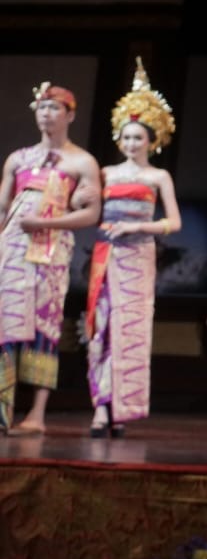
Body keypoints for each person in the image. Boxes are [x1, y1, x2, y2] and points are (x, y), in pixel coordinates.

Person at [0, 82, 102, 436]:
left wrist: (47, 222)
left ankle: (37, 414)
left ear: (70, 115)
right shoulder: (18, 158)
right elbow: (3, 208)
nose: (47, 114)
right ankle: (3, 410)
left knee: (45, 323)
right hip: (13, 248)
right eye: (42, 107)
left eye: (55, 107)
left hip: (51, 250)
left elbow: (91, 214)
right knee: (5, 320)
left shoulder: (82, 161)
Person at [86, 59, 180, 438]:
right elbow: (87, 208)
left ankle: (122, 408)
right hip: (107, 255)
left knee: (131, 329)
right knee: (102, 327)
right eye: (125, 137)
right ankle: (100, 407)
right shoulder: (105, 173)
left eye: (138, 138)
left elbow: (174, 222)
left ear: (152, 140)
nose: (130, 144)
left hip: (139, 256)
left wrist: (139, 226)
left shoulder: (158, 176)